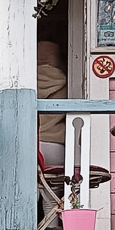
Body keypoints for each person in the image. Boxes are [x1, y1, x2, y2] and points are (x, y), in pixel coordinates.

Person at [35, 40, 69, 168]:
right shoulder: (65, 81)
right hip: (56, 145)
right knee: (55, 184)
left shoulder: (26, 80)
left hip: (32, 143)